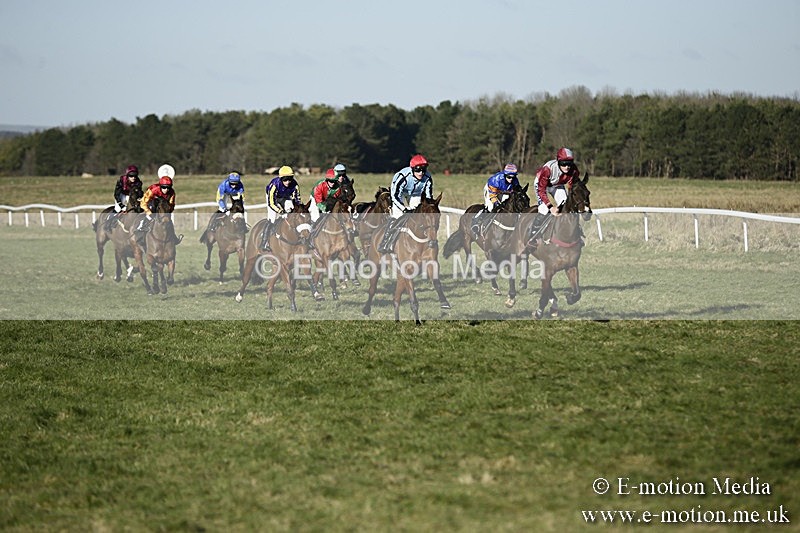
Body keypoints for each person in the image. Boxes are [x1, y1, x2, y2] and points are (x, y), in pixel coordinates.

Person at [377, 154, 433, 254]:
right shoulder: (403, 177)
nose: (421, 173)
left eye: (423, 170)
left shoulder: (428, 178)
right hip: (399, 194)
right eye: (418, 169)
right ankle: (386, 241)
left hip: (416, 194)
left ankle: (426, 239)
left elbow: (428, 197)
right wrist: (404, 209)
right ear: (412, 169)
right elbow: (395, 196)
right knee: (398, 215)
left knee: (419, 215)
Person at [530, 147, 581, 243]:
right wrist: (551, 207)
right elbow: (541, 190)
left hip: (557, 185)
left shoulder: (574, 171)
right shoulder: (548, 169)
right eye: (563, 164)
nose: (567, 167)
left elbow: (573, 187)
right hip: (542, 185)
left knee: (566, 207)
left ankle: (570, 232)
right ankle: (533, 234)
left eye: (569, 163)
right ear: (558, 162)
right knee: (544, 209)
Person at [470, 163, 520, 236]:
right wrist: (496, 203)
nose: (511, 179)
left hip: (503, 191)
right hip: (491, 191)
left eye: (513, 177)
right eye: (509, 177)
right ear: (505, 175)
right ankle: (476, 221)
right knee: (491, 207)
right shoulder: (496, 180)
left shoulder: (515, 181)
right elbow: (492, 195)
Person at [260, 165, 302, 251]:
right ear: (280, 179)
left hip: (285, 197)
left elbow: (297, 200)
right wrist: (280, 211)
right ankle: (264, 242)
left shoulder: (295, 185)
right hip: (272, 198)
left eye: (290, 179)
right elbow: (271, 203)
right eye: (285, 179)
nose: (288, 182)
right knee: (272, 218)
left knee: (292, 212)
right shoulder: (274, 185)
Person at [134, 169, 178, 244]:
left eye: (168, 187)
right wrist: (149, 213)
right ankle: (141, 228)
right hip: (151, 203)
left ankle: (173, 236)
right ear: (160, 186)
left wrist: (167, 212)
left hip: (163, 206)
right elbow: (143, 202)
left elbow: (172, 204)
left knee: (168, 220)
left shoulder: (172, 192)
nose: (166, 190)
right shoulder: (153, 189)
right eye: (164, 187)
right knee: (151, 212)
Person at [205, 171, 245, 235]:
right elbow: (220, 200)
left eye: (236, 184)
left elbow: (242, 198)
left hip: (234, 193)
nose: (234, 186)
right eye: (232, 184)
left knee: (239, 208)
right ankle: (213, 224)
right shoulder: (223, 185)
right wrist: (225, 209)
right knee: (221, 209)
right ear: (229, 181)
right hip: (224, 193)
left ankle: (243, 226)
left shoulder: (240, 185)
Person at [104, 164, 142, 231]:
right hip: (121, 195)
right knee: (117, 209)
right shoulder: (122, 181)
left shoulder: (138, 182)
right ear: (127, 176)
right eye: (131, 176)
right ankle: (108, 223)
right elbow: (116, 194)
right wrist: (121, 205)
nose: (133, 177)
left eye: (135, 175)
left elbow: (139, 193)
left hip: (131, 196)